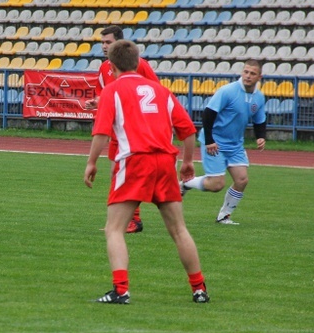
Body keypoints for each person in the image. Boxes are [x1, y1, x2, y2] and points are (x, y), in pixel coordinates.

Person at [84, 39, 209, 304]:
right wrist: (187, 162)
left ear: (112, 65)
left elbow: (101, 132)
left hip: (134, 161)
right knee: (179, 230)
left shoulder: (113, 91)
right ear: (138, 62)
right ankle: (199, 289)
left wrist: (91, 162)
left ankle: (120, 290)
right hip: (165, 162)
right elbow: (187, 129)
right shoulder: (160, 91)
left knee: (114, 229)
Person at [84, 25, 160, 234]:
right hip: (119, 129)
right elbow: (105, 94)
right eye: (102, 43)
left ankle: (131, 220)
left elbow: (155, 91)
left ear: (118, 42)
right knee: (117, 174)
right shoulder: (103, 68)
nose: (104, 46)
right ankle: (125, 221)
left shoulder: (140, 65)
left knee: (126, 174)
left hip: (135, 129)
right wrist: (97, 102)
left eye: (108, 42)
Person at [180, 60, 266, 225]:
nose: (248, 76)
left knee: (242, 180)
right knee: (216, 185)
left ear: (259, 76)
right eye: (246, 72)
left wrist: (260, 136)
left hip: (235, 144)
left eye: (252, 73)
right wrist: (210, 140)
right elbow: (208, 114)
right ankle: (185, 184)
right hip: (215, 142)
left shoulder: (259, 97)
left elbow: (259, 119)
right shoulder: (228, 91)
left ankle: (224, 216)